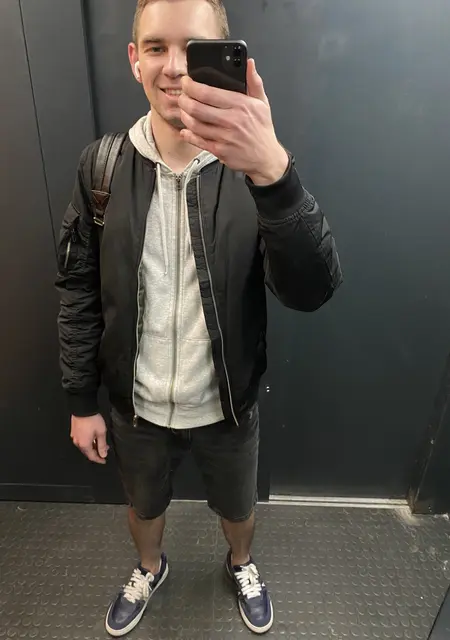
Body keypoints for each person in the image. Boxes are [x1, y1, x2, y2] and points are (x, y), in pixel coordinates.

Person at [56, 0, 342, 636]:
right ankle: (149, 566)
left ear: (227, 58)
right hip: (136, 406)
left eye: (195, 48)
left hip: (226, 403)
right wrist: (81, 400)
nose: (175, 67)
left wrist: (273, 173)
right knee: (142, 506)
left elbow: (312, 289)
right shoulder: (101, 167)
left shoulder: (255, 168)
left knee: (238, 507)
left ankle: (241, 562)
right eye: (157, 47)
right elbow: (77, 288)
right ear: (134, 60)